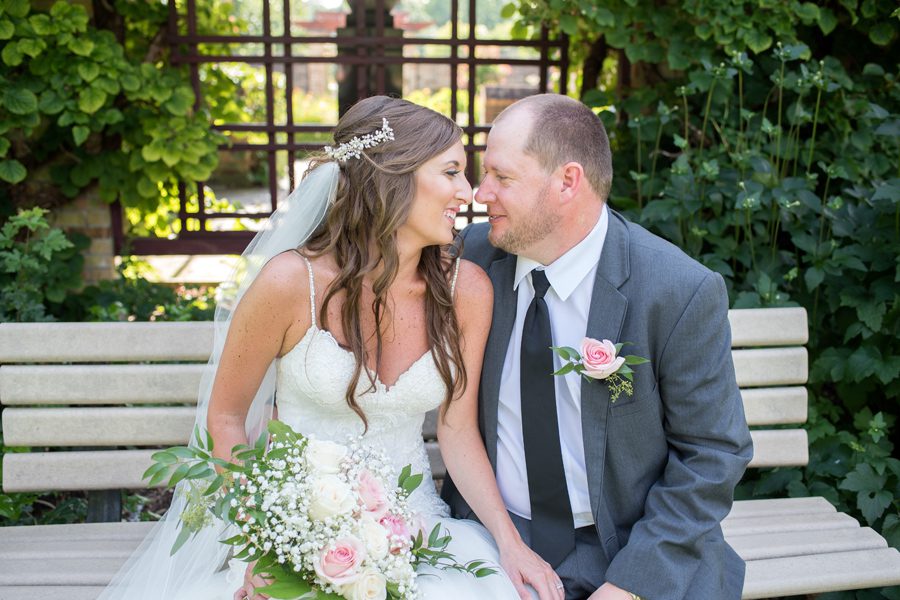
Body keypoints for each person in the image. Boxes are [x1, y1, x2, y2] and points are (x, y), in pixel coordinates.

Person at [97, 96, 563, 600]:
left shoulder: (466, 291)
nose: (467, 192)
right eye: (451, 172)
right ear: (392, 177)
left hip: (414, 531)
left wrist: (510, 543)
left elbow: (457, 431)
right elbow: (227, 418)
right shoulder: (290, 283)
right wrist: (260, 544)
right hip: (291, 531)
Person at [441, 93, 754, 600]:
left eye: (503, 177)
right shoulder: (469, 261)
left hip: (631, 541)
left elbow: (713, 453)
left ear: (567, 182)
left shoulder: (675, 290)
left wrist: (630, 585)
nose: (481, 192)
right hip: (495, 535)